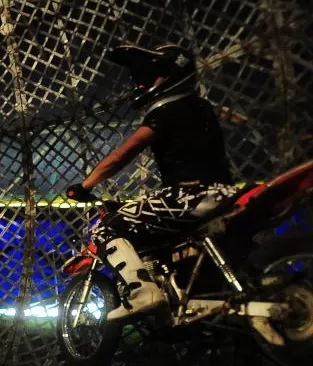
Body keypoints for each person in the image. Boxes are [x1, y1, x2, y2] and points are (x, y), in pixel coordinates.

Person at [65, 44, 237, 320]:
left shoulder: (168, 110)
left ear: (171, 75)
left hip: (190, 195)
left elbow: (125, 153)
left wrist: (86, 186)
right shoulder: (201, 106)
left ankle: (143, 291)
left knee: (107, 226)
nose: (143, 83)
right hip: (225, 192)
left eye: (151, 75)